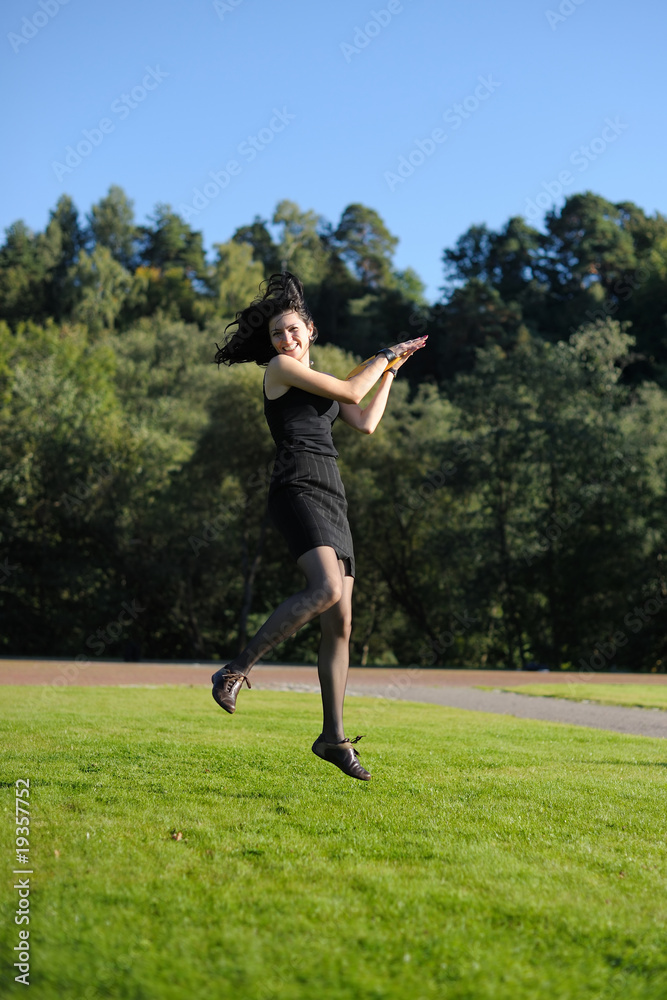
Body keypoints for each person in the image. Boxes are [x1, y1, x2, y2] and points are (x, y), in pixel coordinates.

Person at [212, 272, 427, 780]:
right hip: (297, 485)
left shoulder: (321, 381)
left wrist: (391, 369)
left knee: (341, 623)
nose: (285, 340)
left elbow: (365, 420)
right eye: (277, 334)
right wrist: (383, 353)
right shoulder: (282, 370)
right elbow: (355, 388)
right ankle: (235, 669)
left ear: (311, 330)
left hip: (331, 491)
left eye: (292, 331)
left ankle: (332, 738)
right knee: (327, 588)